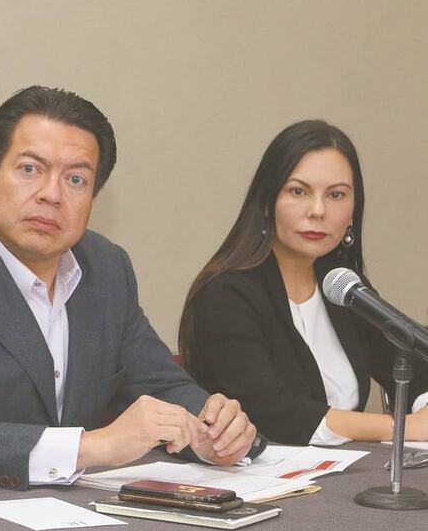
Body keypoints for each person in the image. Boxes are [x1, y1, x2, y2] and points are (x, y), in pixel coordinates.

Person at [0, 86, 259, 489]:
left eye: (76, 179)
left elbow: (158, 384)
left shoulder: (105, 268)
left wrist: (212, 428)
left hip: (69, 519)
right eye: (30, 169)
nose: (51, 195)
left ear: (94, 197)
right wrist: (92, 447)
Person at [178, 120, 428, 445]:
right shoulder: (226, 294)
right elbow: (273, 413)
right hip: (259, 484)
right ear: (267, 202)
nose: (318, 210)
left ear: (353, 212)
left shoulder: (342, 287)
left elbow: (417, 366)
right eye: (299, 191)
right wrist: (402, 428)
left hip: (345, 478)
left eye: (336, 195)